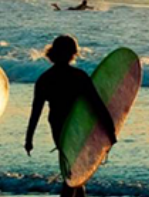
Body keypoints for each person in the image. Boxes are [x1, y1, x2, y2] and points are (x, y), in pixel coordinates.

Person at [24, 35, 117, 197]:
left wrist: (29, 138)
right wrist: (110, 130)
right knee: (74, 173)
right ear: (73, 53)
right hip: (79, 127)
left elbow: (36, 112)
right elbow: (97, 105)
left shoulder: (45, 79)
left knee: (75, 172)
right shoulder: (79, 76)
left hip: (58, 128)